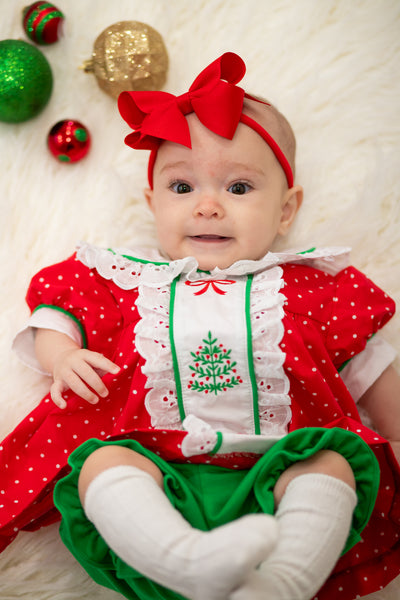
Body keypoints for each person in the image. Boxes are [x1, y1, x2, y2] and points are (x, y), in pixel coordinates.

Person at [1, 52, 400, 600]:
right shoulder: (123, 280)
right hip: (162, 485)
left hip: (277, 478)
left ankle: (281, 583)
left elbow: (373, 367)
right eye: (182, 188)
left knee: (332, 464)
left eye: (238, 189)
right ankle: (187, 562)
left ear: (286, 211)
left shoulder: (316, 287)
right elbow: (57, 318)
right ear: (153, 202)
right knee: (99, 462)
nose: (208, 206)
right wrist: (61, 358)